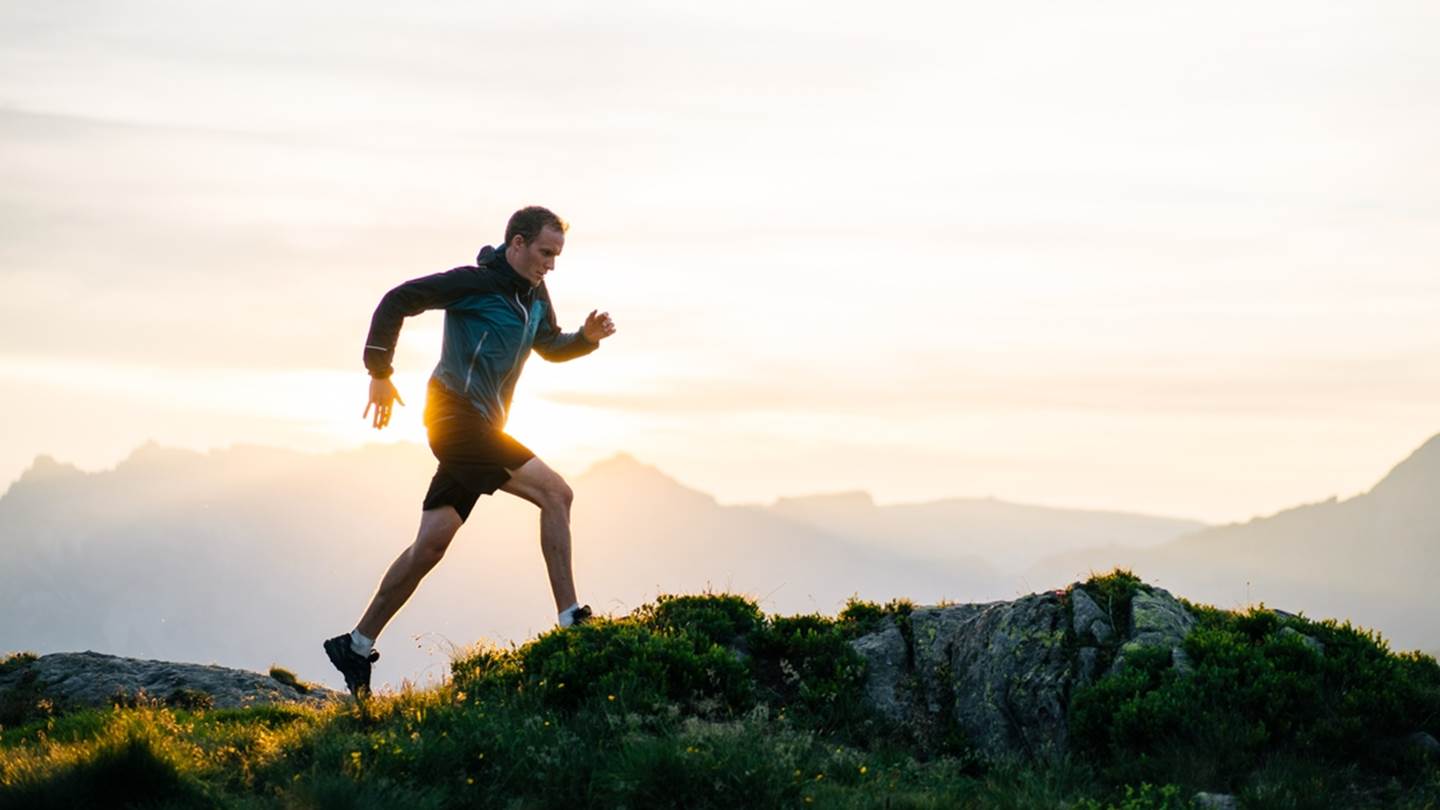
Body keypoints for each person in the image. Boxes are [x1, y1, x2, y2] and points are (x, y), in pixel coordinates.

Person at [323, 205, 617, 700]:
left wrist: (584, 341)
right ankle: (572, 621)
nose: (551, 263)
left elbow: (548, 345)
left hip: (483, 425)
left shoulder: (535, 296)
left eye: (557, 255)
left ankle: (356, 643)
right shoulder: (474, 283)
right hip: (454, 419)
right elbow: (398, 299)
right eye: (545, 252)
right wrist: (380, 371)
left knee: (430, 545)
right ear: (517, 244)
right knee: (556, 494)